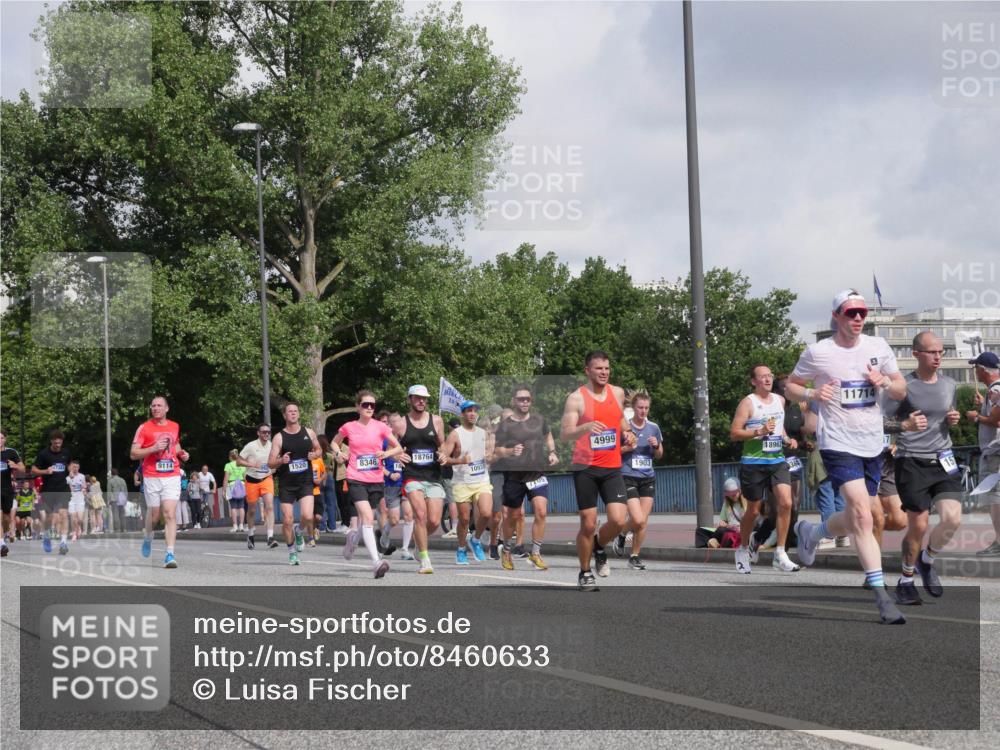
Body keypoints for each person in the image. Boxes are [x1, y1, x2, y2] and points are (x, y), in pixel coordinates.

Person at [786, 289, 907, 624]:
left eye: (862, 313)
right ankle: (882, 597)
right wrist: (812, 392)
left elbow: (901, 389)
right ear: (836, 315)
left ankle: (813, 533)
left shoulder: (878, 347)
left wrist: (885, 382)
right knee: (863, 516)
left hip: (872, 443)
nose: (857, 318)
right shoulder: (819, 352)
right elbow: (791, 386)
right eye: (850, 312)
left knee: (859, 516)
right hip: (837, 443)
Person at [891, 332, 964, 605]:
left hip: (943, 459)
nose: (937, 357)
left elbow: (947, 415)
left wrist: (953, 419)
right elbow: (881, 422)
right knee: (918, 525)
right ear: (916, 354)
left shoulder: (949, 384)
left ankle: (927, 559)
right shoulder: (903, 387)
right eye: (932, 352)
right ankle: (905, 581)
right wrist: (904, 425)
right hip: (911, 460)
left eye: (941, 352)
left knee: (952, 519)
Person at [560, 350, 637, 591]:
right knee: (588, 523)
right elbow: (565, 434)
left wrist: (628, 432)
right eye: (598, 368)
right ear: (587, 371)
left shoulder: (617, 393)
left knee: (618, 520)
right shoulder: (576, 399)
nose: (604, 372)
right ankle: (584, 572)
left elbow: (619, 419)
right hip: (585, 468)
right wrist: (585, 427)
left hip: (612, 467)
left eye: (606, 368)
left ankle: (599, 546)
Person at [730, 364, 801, 573]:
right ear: (754, 381)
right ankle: (743, 549)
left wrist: (787, 439)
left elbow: (779, 427)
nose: (768, 379)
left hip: (777, 461)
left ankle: (780, 554)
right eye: (763, 376)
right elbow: (734, 433)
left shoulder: (780, 400)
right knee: (753, 510)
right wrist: (758, 431)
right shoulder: (748, 403)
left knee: (787, 503)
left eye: (770, 375)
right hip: (754, 462)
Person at [331, 390, 402, 578]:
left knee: (365, 520)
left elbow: (398, 447)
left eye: (372, 405)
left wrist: (386, 454)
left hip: (376, 479)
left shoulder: (381, 427)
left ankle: (353, 539)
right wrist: (339, 453)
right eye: (365, 405)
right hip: (355, 477)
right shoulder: (349, 427)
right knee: (368, 518)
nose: (369, 408)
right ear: (358, 407)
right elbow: (334, 443)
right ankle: (376, 562)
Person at [494, 385, 559, 571]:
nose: (524, 402)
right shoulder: (506, 425)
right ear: (514, 401)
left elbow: (548, 436)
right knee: (512, 516)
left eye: (527, 399)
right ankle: (507, 550)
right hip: (514, 476)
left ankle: (536, 554)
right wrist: (510, 451)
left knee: (541, 511)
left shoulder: (539, 420)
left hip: (536, 473)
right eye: (521, 399)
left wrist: (552, 452)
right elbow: (497, 450)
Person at [130, 396, 190, 568]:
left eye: (159, 405)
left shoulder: (174, 426)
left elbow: (175, 444)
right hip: (152, 476)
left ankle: (169, 554)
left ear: (166, 408)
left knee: (170, 513)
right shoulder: (144, 428)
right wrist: (153, 448)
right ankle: (148, 536)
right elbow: (133, 454)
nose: (155, 408)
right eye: (153, 405)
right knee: (155, 515)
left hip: (172, 475)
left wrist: (182, 454)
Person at [394, 384, 447, 574]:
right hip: (412, 476)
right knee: (420, 515)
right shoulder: (400, 424)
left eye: (424, 398)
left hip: (433, 476)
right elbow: (391, 446)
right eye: (417, 398)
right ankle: (425, 559)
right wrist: (396, 455)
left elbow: (442, 445)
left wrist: (443, 454)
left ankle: (418, 542)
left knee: (434, 521)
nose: (421, 401)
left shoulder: (437, 421)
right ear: (410, 399)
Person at [439, 400, 493, 566]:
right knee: (463, 519)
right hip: (462, 482)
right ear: (462, 414)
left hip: (482, 480)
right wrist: (461, 460)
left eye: (475, 411)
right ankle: (461, 548)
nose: (472, 413)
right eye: (469, 411)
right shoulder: (455, 435)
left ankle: (475, 540)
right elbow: (444, 459)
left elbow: (490, 453)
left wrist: (490, 457)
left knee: (486, 513)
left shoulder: (483, 433)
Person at [268, 402, 322, 566]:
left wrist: (315, 455)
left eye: (295, 411)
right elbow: (270, 463)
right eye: (290, 411)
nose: (293, 413)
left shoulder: (309, 432)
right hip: (287, 484)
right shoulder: (279, 437)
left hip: (305, 481)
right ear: (284, 415)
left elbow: (319, 450)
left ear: (298, 414)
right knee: (287, 520)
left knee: (307, 516)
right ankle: (292, 552)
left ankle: (299, 531)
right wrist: (280, 460)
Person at [617, 390, 663, 570]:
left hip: (647, 477)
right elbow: (613, 452)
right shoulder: (625, 427)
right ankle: (622, 532)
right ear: (633, 408)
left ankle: (634, 556)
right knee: (637, 519)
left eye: (646, 408)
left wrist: (656, 446)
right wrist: (627, 448)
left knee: (643, 520)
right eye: (640, 408)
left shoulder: (653, 428)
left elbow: (659, 455)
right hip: (628, 475)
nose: (643, 411)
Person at [966, 352, 1000, 556]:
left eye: (976, 368)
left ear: (983, 369)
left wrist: (977, 417)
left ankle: (999, 542)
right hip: (995, 450)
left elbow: (997, 421)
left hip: (995, 451)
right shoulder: (994, 390)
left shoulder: (996, 390)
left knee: (995, 498)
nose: (975, 372)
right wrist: (984, 407)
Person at [32, 429, 72, 555]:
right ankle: (47, 535)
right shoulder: (44, 454)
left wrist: (70, 470)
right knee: (49, 518)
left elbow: (69, 465)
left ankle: (63, 543)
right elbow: (33, 470)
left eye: (59, 443)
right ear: (51, 441)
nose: (57, 445)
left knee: (64, 514)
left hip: (63, 489)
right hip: (48, 490)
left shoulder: (66, 453)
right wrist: (45, 471)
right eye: (55, 443)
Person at [237, 424, 277, 548]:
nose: (266, 434)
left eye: (268, 432)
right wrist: (252, 464)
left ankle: (270, 537)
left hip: (266, 478)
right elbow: (238, 461)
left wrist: (275, 465)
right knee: (252, 510)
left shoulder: (272, 446)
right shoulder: (251, 446)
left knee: (269, 506)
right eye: (264, 432)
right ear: (258, 433)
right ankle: (250, 534)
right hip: (252, 480)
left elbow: (276, 461)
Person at [375, 411, 409, 557]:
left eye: (399, 421)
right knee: (389, 516)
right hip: (387, 483)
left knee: (409, 515)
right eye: (392, 422)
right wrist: (389, 474)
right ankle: (383, 539)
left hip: (406, 482)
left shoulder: (406, 439)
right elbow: (376, 462)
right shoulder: (381, 441)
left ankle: (405, 549)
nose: (397, 425)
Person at [0, 428, 25, 556]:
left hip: (7, 489)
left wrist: (15, 466)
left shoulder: (11, 452)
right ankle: (2, 545)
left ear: (5, 439)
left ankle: (3, 535)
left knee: (6, 518)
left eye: (1, 438)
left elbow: (23, 468)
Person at [223, 449, 247, 533]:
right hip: (242, 485)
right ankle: (241, 525)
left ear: (230, 457)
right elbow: (245, 478)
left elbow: (226, 479)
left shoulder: (228, 465)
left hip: (231, 486)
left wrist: (224, 490)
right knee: (241, 506)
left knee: (233, 507)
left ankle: (235, 526)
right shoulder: (242, 465)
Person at [309, 443, 327, 546]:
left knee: (318, 517)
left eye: (313, 450)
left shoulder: (319, 461)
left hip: (317, 491)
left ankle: (316, 528)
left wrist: (320, 480)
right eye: (310, 450)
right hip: (307, 492)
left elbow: (324, 473)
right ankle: (311, 538)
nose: (312, 452)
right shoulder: (305, 462)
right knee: (310, 517)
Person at [108, 468, 129, 534]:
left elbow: (109, 492)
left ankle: (117, 529)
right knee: (122, 514)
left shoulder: (110, 481)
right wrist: (125, 499)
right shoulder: (122, 480)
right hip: (122, 498)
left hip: (114, 499)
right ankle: (124, 528)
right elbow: (126, 490)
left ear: (112, 474)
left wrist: (109, 500)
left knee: (115, 514)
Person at [15, 476, 35, 542]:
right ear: (23, 485)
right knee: (22, 522)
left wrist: (33, 506)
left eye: (28, 484)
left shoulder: (31, 492)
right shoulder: (19, 492)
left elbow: (33, 500)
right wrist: (17, 507)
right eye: (26, 484)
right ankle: (22, 533)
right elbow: (17, 500)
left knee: (29, 521)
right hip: (21, 510)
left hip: (28, 509)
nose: (27, 485)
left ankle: (28, 530)